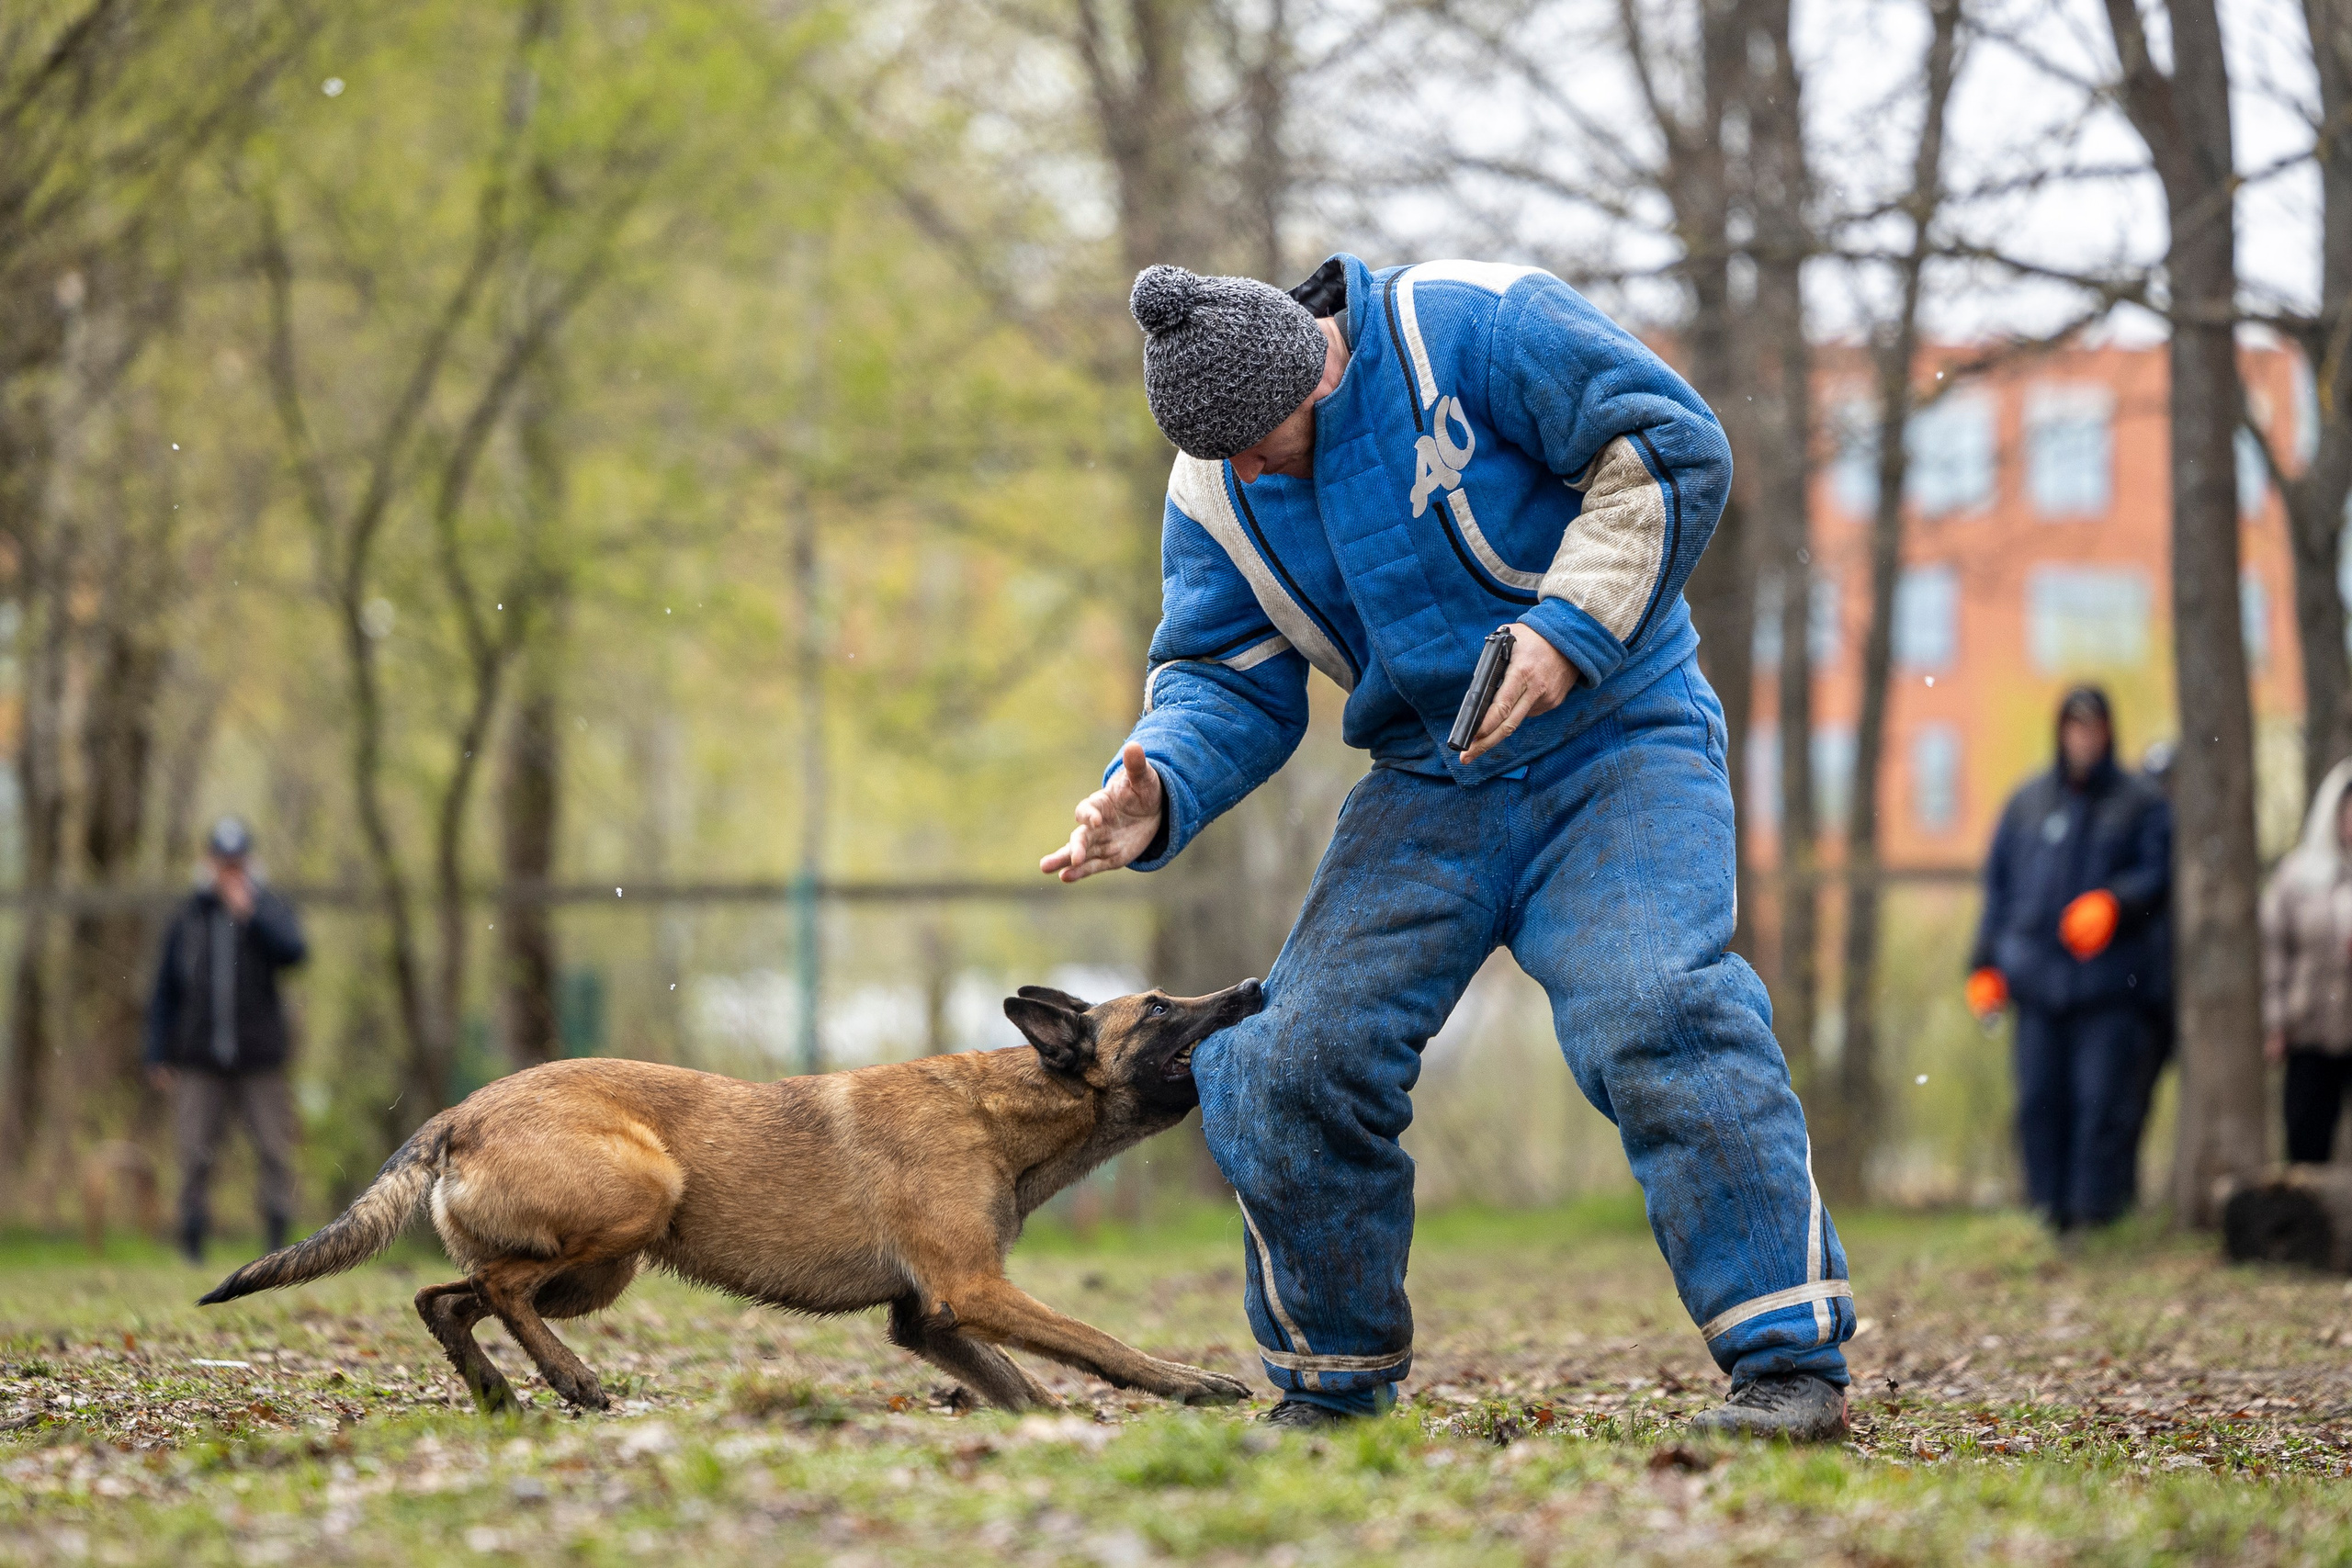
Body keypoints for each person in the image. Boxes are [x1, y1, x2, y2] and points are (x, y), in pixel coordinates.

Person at [1039, 257, 1855, 1440]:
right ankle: (1334, 1384)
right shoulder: (1217, 486)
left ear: (1312, 368)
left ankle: (1787, 1365)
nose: (1249, 471)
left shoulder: (1471, 324)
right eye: (1222, 457)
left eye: (1261, 442)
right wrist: (1156, 781)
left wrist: (1567, 631)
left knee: (1653, 1009)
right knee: (1286, 1058)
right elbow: (1224, 673)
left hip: (1622, 733)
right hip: (1432, 777)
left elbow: (1666, 446)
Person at [1967, 687, 2170, 1235]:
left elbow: (2157, 877)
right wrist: (1983, 966)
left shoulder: (2140, 803)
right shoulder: (2028, 803)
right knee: (2038, 1104)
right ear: (2061, 732)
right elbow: (1999, 893)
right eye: (2074, 727)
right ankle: (2046, 1217)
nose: (2084, 738)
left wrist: (2115, 903)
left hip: (2109, 988)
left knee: (2100, 1104)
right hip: (2037, 986)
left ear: (2108, 732)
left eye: (2094, 727)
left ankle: (2095, 1221)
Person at [145, 817, 309, 1264]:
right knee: (194, 1154)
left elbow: (295, 953)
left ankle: (278, 1246)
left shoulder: (269, 907)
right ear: (210, 864)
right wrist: (157, 1052)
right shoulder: (188, 916)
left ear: (249, 864)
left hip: (260, 1059)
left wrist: (250, 916)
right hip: (199, 1059)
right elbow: (164, 990)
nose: (230, 873)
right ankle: (192, 1243)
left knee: (275, 1151)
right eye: (223, 864)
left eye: (238, 864)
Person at [2259, 758, 2352, 1164]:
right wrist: (2276, 1023)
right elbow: (2274, 951)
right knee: (2306, 1135)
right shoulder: (2298, 876)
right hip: (2309, 1027)